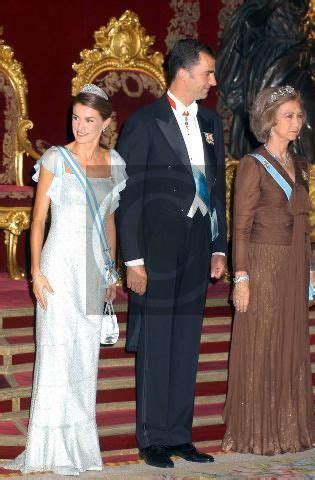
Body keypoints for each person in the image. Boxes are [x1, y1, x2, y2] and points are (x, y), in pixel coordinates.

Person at [4, 84, 127, 475]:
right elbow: (37, 220)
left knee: (85, 356)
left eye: (90, 120)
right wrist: (36, 273)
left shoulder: (115, 163)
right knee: (56, 353)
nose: (81, 126)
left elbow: (109, 220)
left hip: (92, 268)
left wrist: (112, 271)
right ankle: (49, 449)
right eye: (76, 117)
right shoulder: (56, 158)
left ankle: (80, 449)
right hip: (57, 265)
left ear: (106, 122)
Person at [117, 39, 227, 468]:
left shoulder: (211, 122)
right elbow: (128, 195)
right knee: (158, 341)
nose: (213, 81)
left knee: (187, 342)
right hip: (157, 251)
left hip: (198, 247)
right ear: (184, 73)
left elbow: (215, 190)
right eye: (208, 74)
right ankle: (153, 439)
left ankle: (180, 435)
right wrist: (134, 259)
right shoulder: (145, 122)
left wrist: (219, 247)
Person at [222, 85, 314, 455]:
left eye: (299, 115)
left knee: (291, 341)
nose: (297, 122)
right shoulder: (252, 165)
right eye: (289, 116)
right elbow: (240, 226)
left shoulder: (302, 165)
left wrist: (311, 271)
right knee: (262, 342)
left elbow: (306, 225)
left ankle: (289, 431)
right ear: (269, 121)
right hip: (262, 261)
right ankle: (257, 433)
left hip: (294, 263)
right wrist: (240, 276)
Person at [216, 0, 315, 161]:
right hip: (272, 64)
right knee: (275, 120)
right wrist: (271, 5)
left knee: (308, 119)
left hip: (300, 63)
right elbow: (246, 27)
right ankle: (273, 173)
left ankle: (307, 174)